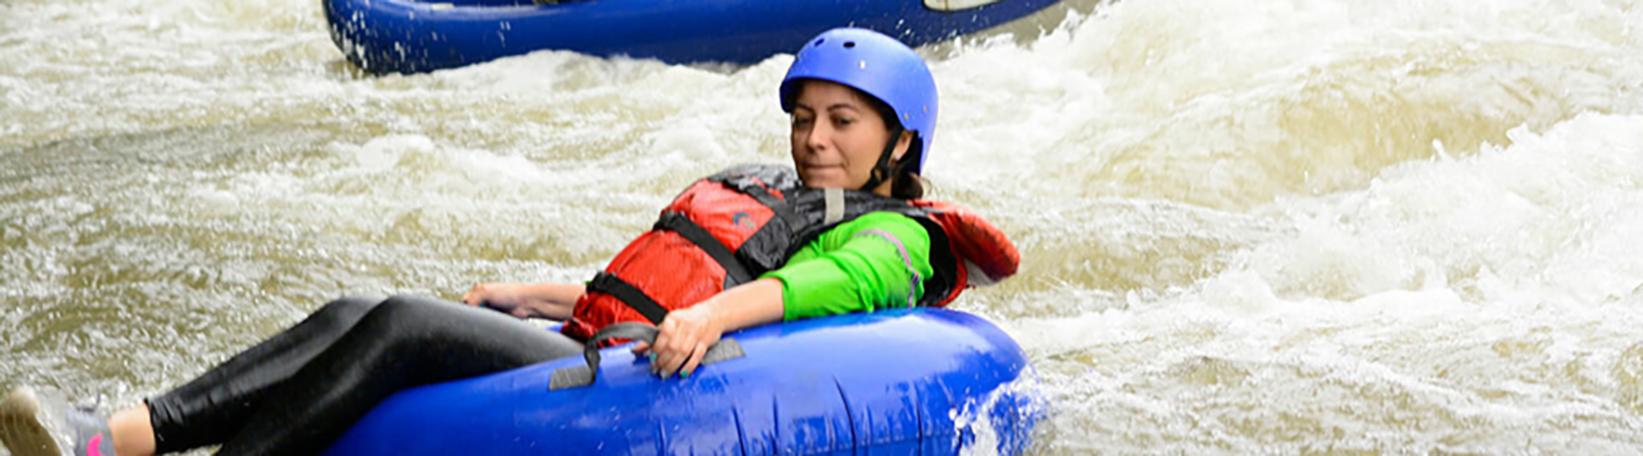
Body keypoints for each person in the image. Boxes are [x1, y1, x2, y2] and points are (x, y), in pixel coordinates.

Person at [0, 27, 1017, 456]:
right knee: (367, 307)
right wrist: (535, 294)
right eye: (805, 118)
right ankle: (120, 433)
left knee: (396, 324)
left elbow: (817, 291)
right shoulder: (766, 191)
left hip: (653, 374)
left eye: (843, 121)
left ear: (898, 142)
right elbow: (649, 283)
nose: (813, 139)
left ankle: (129, 444)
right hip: (605, 346)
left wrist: (710, 314)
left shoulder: (896, 238)